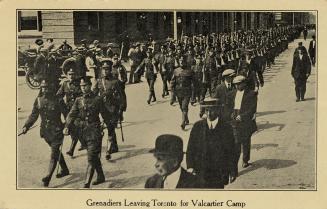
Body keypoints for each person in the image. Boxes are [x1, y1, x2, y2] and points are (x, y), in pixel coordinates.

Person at [22, 80, 70, 187]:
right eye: (43, 87)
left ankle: (47, 177)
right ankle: (65, 169)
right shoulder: (39, 100)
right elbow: (34, 115)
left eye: (47, 87)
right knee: (56, 151)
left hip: (57, 131)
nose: (45, 89)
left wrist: (66, 127)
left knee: (53, 154)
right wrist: (26, 126)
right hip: (46, 133)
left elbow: (67, 115)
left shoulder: (58, 100)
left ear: (51, 88)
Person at [63, 76, 106, 188]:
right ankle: (100, 176)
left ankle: (86, 184)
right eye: (81, 86)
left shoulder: (97, 99)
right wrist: (67, 126)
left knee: (91, 157)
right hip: (83, 133)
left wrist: (106, 123)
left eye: (85, 85)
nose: (83, 88)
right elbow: (71, 114)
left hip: (95, 132)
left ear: (90, 86)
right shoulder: (78, 100)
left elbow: (105, 114)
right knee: (94, 156)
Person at [186, 97, 237, 189]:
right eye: (207, 110)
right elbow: (190, 148)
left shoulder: (226, 128)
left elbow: (232, 151)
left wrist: (233, 171)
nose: (209, 113)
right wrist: (190, 167)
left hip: (219, 173)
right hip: (200, 172)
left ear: (218, 110)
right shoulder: (197, 127)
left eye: (212, 110)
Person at [94, 61, 124, 160]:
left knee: (110, 128)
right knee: (110, 127)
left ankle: (108, 150)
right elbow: (94, 94)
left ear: (110, 70)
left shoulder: (115, 82)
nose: (105, 71)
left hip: (113, 109)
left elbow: (122, 96)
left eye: (107, 69)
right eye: (104, 69)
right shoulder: (99, 81)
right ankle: (114, 146)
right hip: (104, 109)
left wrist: (121, 110)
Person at [56, 69, 86, 157]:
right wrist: (62, 105)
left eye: (72, 74)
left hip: (77, 110)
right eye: (69, 74)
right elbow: (59, 95)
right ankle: (83, 143)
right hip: (68, 110)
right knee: (74, 128)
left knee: (74, 128)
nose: (71, 76)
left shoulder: (79, 84)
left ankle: (71, 150)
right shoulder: (64, 84)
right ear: (67, 75)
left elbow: (82, 95)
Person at [231, 75, 257, 170]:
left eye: (239, 84)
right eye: (235, 85)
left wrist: (242, 116)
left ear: (244, 84)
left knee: (246, 140)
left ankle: (245, 160)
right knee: (236, 141)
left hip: (245, 120)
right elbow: (228, 105)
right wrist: (231, 114)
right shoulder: (232, 93)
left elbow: (252, 109)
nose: (237, 86)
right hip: (234, 119)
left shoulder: (251, 94)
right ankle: (234, 164)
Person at [170, 55, 195, 130]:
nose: (181, 62)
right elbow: (172, 82)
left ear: (185, 62)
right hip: (178, 92)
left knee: (184, 107)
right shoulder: (176, 70)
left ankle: (183, 122)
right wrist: (172, 92)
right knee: (181, 107)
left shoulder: (190, 71)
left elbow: (194, 83)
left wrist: (193, 96)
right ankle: (186, 118)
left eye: (182, 61)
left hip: (187, 92)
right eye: (180, 61)